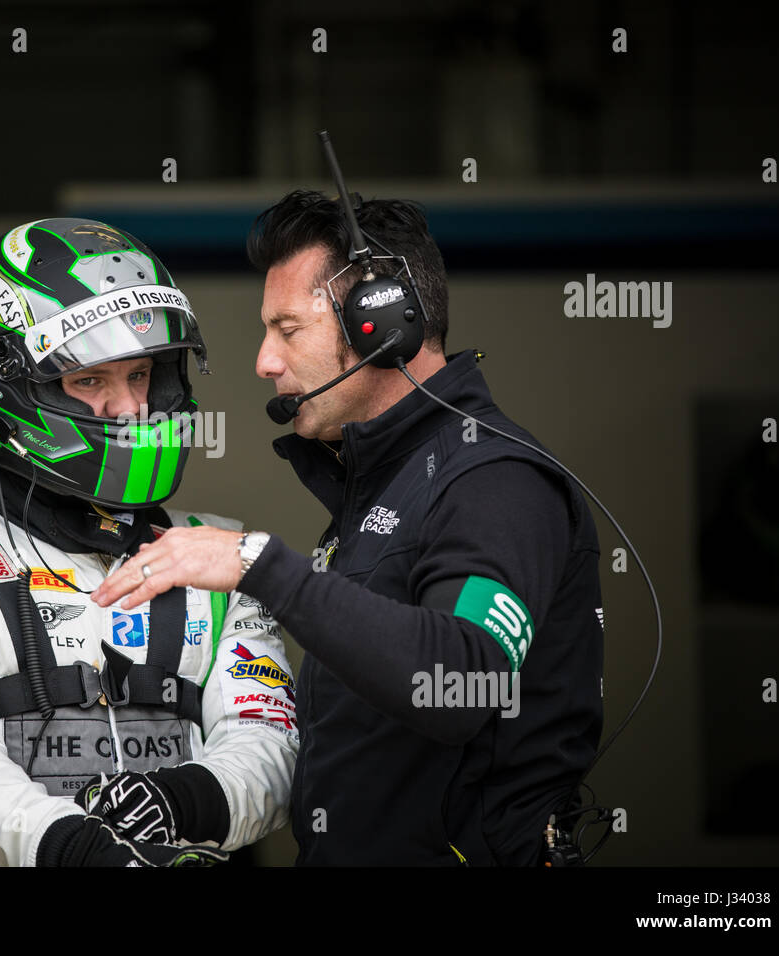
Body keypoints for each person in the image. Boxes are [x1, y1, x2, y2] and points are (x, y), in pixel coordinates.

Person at [92, 191, 604, 865]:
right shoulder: (392, 485)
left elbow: (459, 681)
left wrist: (258, 565)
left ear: (382, 326)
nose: (264, 362)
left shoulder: (493, 481)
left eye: (288, 329)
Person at [0, 218, 298, 867]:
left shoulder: (220, 552)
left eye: (141, 375)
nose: (129, 409)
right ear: (3, 391)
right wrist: (81, 851)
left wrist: (184, 798)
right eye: (90, 381)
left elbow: (271, 742)